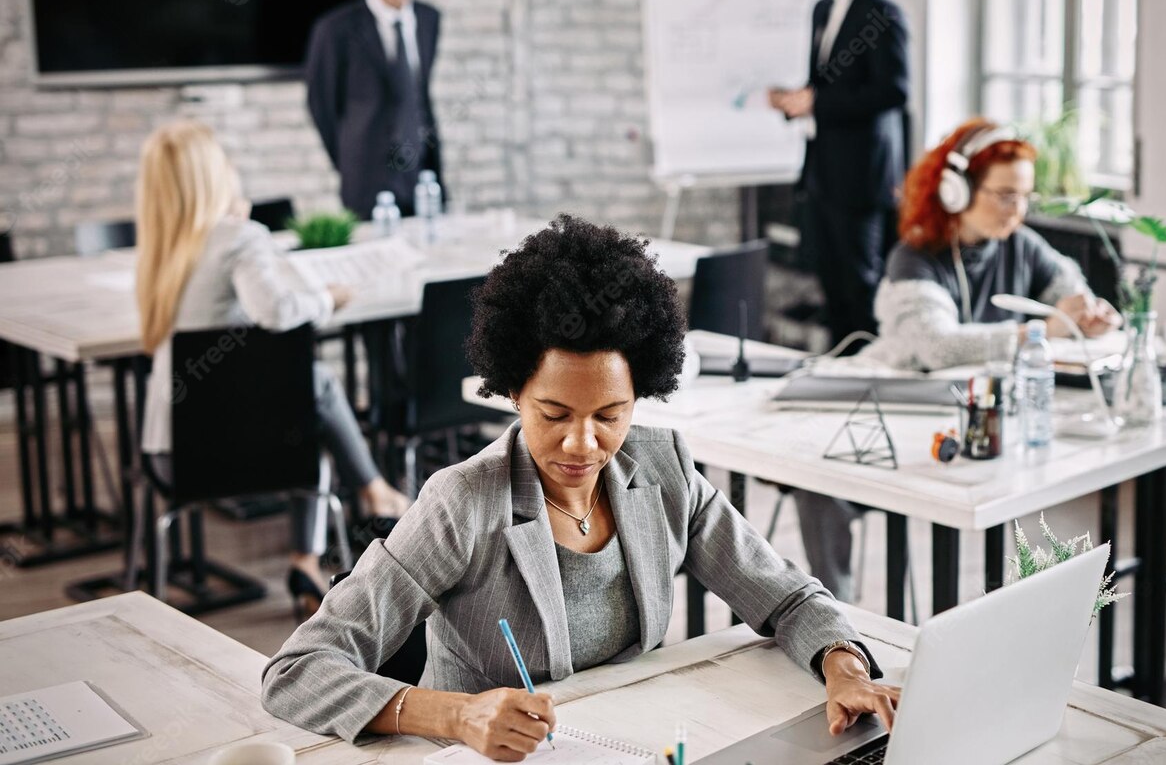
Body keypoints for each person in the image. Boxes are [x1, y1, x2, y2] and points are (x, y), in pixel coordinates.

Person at [261, 215, 901, 761]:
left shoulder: (664, 469)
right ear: (513, 393)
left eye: (610, 415)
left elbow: (786, 597)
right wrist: (455, 716)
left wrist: (843, 667)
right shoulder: (462, 503)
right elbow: (296, 674)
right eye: (555, 414)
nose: (583, 445)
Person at [793, 118, 1120, 602]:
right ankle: (837, 617)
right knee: (819, 482)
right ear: (955, 189)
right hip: (900, 408)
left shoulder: (1023, 246)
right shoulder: (915, 255)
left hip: (974, 422)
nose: (1018, 210)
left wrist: (1088, 314)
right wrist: (1037, 330)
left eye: (1025, 196)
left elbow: (1072, 298)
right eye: (1005, 195)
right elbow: (936, 346)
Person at [135, 120, 412, 617]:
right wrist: (328, 297)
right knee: (312, 399)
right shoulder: (238, 238)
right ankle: (367, 498)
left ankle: (329, 539)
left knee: (304, 401)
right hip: (249, 455)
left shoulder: (159, 250)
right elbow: (276, 311)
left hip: (170, 458)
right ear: (212, 176)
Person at [769, 0, 909, 352]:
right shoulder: (822, 8)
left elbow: (893, 91)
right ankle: (837, 377)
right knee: (830, 288)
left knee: (860, 289)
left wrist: (818, 101)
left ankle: (866, 380)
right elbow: (826, 87)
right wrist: (797, 101)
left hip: (862, 177)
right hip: (822, 171)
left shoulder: (882, 12)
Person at [305, 0, 443, 219]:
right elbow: (322, 105)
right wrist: (348, 157)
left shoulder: (429, 19)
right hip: (365, 176)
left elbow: (420, 96)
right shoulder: (335, 29)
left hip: (421, 172)